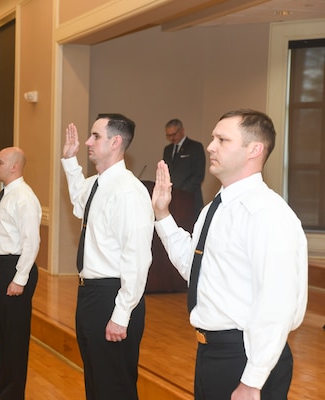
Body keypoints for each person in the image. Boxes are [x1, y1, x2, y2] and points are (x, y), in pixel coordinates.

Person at [152, 109, 308, 400]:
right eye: (213, 138)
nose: (211, 147)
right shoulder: (215, 208)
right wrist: (162, 214)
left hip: (246, 357)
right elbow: (195, 269)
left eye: (222, 140)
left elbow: (277, 304)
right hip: (211, 354)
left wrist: (253, 380)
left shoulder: (268, 214)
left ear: (254, 150)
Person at [61, 114, 154, 399]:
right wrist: (69, 160)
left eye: (95, 136)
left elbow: (137, 259)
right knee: (97, 383)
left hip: (112, 296)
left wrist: (121, 314)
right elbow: (79, 202)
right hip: (90, 294)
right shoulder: (96, 184)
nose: (88, 142)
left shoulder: (128, 191)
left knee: (115, 387)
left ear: (115, 142)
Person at [0, 147, 41, 400]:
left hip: (15, 269)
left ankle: (12, 395)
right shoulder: (7, 193)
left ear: (15, 166)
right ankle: (3, 392)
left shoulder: (24, 197)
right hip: (2, 267)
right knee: (4, 336)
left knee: (14, 339)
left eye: (0, 162)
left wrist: (19, 279)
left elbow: (32, 242)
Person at [163, 118, 206, 218]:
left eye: (174, 134)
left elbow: (199, 174)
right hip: (172, 198)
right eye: (169, 135)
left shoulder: (195, 147)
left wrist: (181, 192)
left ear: (182, 130)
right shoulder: (167, 150)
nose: (172, 138)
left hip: (190, 197)